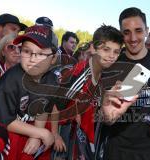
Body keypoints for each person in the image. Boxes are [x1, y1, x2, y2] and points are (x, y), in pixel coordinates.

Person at [101, 7, 150, 160]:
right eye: (126, 32)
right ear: (121, 34)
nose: (133, 38)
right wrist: (108, 113)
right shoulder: (112, 63)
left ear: (146, 31)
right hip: (117, 149)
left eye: (138, 30)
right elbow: (107, 118)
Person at [52, 24, 123, 160]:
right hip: (64, 138)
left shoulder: (101, 77)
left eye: (116, 52)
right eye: (106, 49)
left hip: (81, 139)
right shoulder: (80, 73)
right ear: (94, 48)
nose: (111, 56)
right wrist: (55, 135)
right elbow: (56, 104)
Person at [0, 25, 59, 159]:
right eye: (27, 51)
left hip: (31, 128)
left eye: (41, 53)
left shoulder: (52, 80)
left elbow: (43, 109)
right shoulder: (9, 81)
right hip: (7, 133)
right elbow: (7, 121)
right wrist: (41, 133)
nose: (32, 58)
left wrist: (36, 134)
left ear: (53, 59)